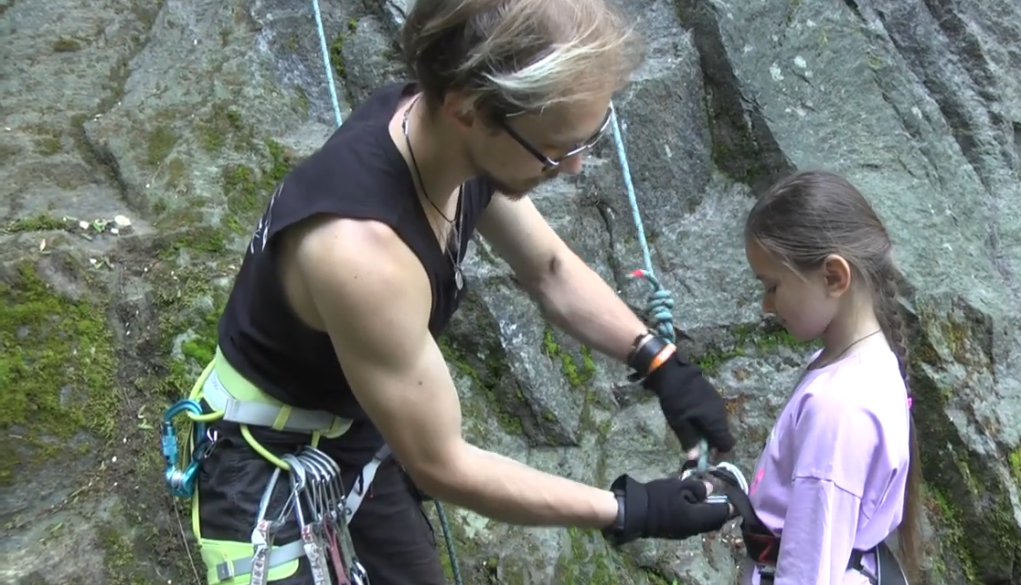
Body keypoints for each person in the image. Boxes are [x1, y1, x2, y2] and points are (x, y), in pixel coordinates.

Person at [181, 0, 739, 584]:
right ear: (469, 109)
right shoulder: (363, 254)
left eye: (589, 136)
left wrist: (657, 359)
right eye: (556, 148)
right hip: (263, 459)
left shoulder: (445, 143)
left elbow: (548, 268)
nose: (574, 167)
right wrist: (631, 509)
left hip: (358, 423)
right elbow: (442, 463)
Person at [733, 170, 924, 585]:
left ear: (834, 277)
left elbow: (807, 573)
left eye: (772, 286)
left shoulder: (837, 409)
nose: (767, 306)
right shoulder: (860, 363)